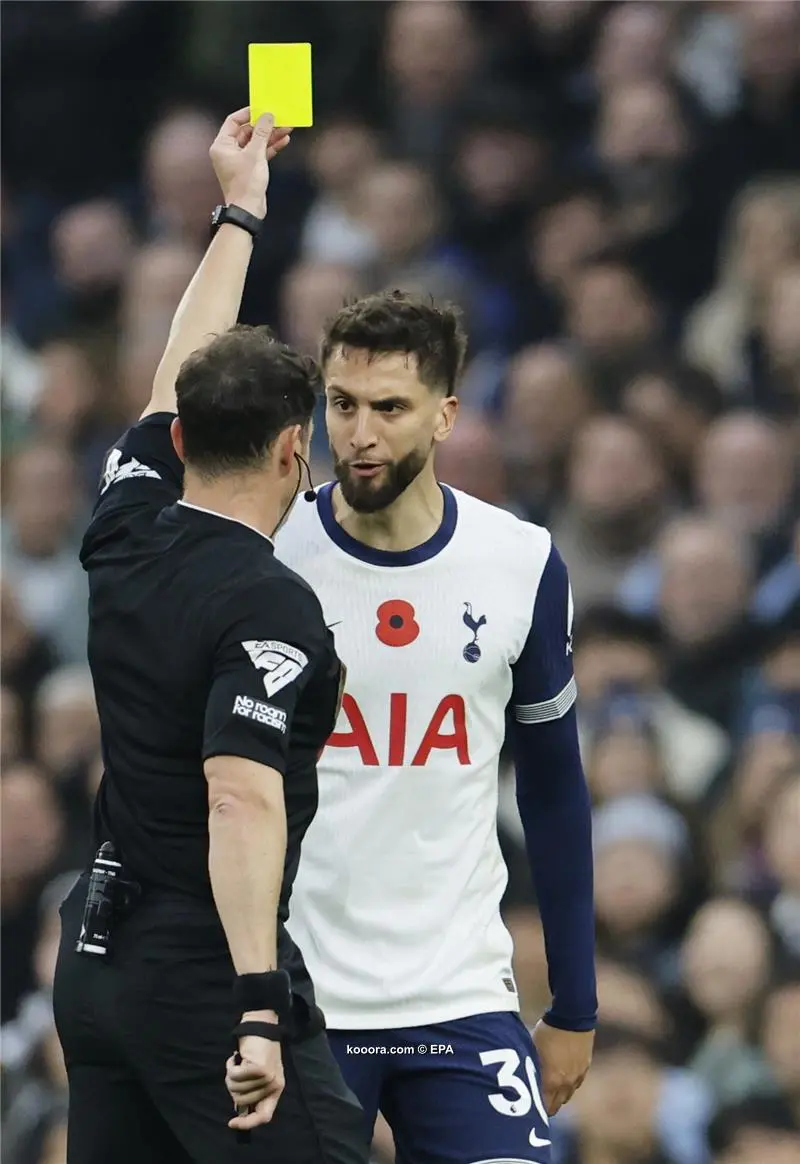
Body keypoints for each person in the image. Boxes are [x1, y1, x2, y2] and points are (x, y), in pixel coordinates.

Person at [52, 108, 367, 1164]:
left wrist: (238, 211)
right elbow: (237, 794)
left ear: (180, 438)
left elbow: (169, 373)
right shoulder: (269, 604)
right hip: (198, 975)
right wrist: (257, 1006)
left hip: (95, 966)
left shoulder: (125, 518)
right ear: (296, 449)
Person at [268, 294, 598, 1160]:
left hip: (457, 996)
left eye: (389, 408)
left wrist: (574, 1005)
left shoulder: (518, 563)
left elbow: (556, 789)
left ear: (446, 415)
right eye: (341, 404)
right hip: (299, 999)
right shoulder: (268, 550)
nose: (360, 433)